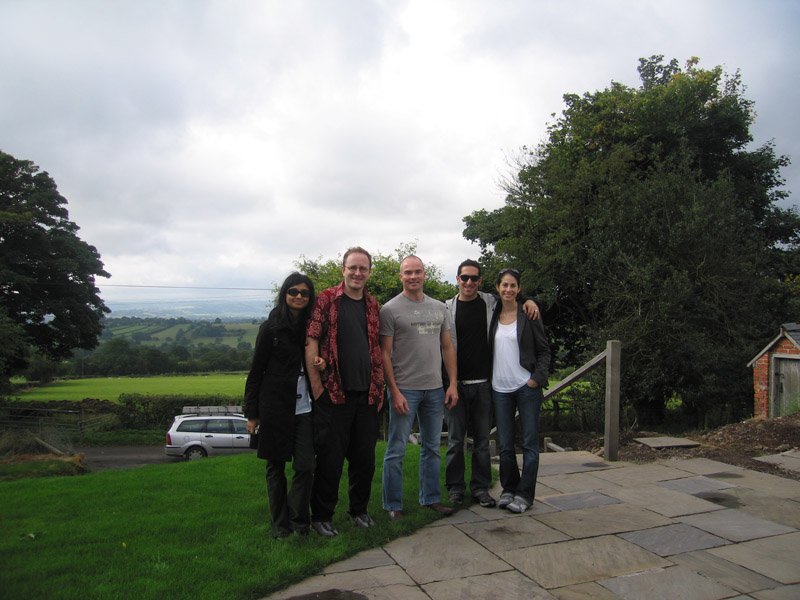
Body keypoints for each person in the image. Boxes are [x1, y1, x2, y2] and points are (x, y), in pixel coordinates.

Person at [443, 259, 538, 508]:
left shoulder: (489, 303)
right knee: (455, 440)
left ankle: (480, 488)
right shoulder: (447, 308)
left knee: (483, 442)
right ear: (457, 279)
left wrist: (528, 300)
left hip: (485, 384)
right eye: (465, 278)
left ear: (481, 282)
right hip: (456, 385)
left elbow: (511, 294)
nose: (469, 282)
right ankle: (455, 488)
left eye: (474, 278)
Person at [305, 247, 384, 537]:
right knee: (330, 459)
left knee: (364, 459)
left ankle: (359, 511)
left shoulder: (373, 305)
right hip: (334, 394)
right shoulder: (326, 300)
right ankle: (321, 516)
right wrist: (317, 389)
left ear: (369, 272)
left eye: (363, 268)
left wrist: (380, 388)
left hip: (368, 395)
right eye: (353, 267)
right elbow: (311, 341)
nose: (357, 273)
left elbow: (377, 348)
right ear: (343, 269)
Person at [380, 255, 458, 520]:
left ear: (425, 274)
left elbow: (447, 347)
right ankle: (393, 505)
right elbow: (384, 354)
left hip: (435, 389)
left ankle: (431, 498)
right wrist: (395, 390)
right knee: (396, 449)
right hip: (405, 390)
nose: (413, 277)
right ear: (400, 276)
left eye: (417, 272)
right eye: (407, 273)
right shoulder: (390, 309)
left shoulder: (439, 308)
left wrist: (452, 384)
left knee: (432, 447)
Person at [244, 272, 316, 538]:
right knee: (275, 467)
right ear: (284, 294)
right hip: (274, 407)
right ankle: (280, 525)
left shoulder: (312, 327)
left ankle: (299, 520)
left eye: (304, 293)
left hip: (305, 407)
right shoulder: (271, 328)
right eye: (293, 292)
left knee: (306, 465)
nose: (299, 296)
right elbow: (256, 372)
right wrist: (251, 413)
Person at [489, 268, 551, 513]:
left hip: (526, 387)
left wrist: (537, 379)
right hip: (499, 389)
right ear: (497, 288)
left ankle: (525, 495)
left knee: (529, 444)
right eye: (504, 285)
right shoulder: (492, 313)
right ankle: (509, 489)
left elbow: (544, 350)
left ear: (519, 289)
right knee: (505, 445)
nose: (508, 289)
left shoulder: (528, 314)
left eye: (513, 285)